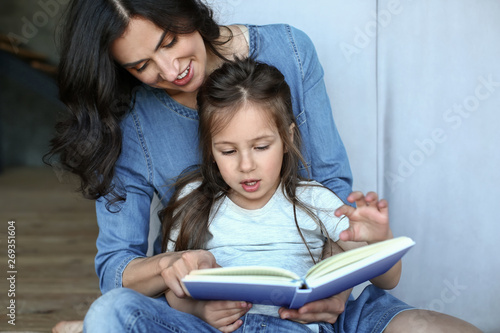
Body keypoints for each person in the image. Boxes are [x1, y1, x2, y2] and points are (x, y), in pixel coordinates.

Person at [46, 1, 480, 332]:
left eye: (169, 41)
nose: (170, 69)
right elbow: (118, 269)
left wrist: (339, 286)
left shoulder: (290, 51)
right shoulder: (178, 186)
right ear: (209, 148)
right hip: (215, 320)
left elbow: (335, 195)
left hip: (316, 303)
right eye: (141, 65)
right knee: (111, 313)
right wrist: (180, 282)